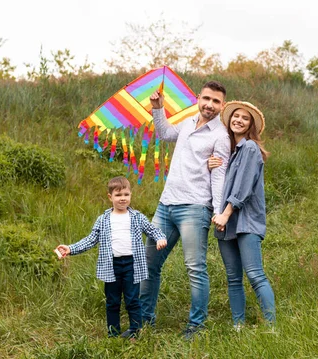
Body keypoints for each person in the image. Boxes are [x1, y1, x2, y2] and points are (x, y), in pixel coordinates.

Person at [140, 81, 230, 339]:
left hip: (194, 207)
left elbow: (219, 176)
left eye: (216, 102)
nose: (210, 105)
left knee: (195, 268)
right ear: (198, 98)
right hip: (166, 205)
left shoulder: (220, 136)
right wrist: (158, 109)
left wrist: (218, 211)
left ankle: (196, 326)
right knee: (149, 265)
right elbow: (164, 133)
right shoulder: (188, 122)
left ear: (222, 106)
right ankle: (145, 321)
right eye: (207, 99)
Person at [55, 176, 167, 339]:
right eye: (118, 195)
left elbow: (152, 230)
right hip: (111, 266)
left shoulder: (137, 217)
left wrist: (160, 238)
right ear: (110, 197)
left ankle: (136, 332)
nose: (123, 198)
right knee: (113, 301)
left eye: (126, 194)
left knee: (133, 300)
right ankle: (113, 334)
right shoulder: (103, 220)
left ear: (131, 195)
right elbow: (90, 239)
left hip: (132, 265)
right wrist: (70, 248)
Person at [209, 101, 276, 329]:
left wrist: (226, 214)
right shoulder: (230, 152)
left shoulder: (249, 148)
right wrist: (211, 165)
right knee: (233, 278)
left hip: (245, 222)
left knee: (255, 275)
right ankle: (238, 326)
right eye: (235, 116)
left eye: (244, 118)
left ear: (251, 126)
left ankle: (271, 328)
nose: (238, 120)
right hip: (226, 223)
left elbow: (243, 188)